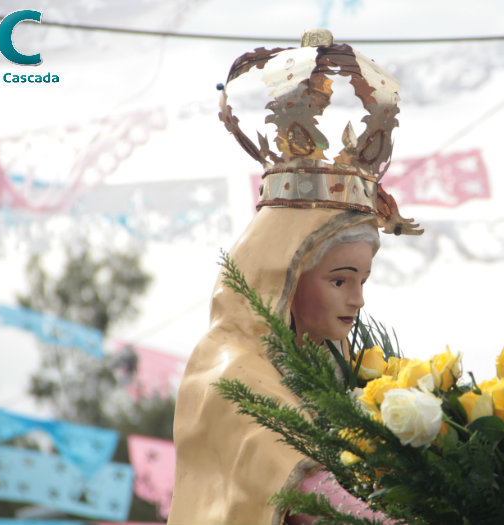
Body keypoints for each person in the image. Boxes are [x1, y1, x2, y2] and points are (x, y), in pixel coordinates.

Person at [168, 29, 420, 524]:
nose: (357, 300)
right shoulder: (229, 372)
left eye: (363, 280)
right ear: (282, 278)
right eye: (340, 280)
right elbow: (307, 488)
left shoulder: (345, 375)